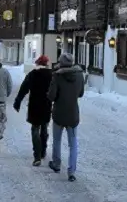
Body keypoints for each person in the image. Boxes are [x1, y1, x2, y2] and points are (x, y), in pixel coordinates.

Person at [47, 52, 85, 182]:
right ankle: (71, 171)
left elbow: (51, 96)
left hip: (59, 113)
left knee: (57, 140)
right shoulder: (79, 75)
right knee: (73, 144)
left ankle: (56, 164)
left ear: (60, 62)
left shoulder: (57, 76)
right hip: (73, 114)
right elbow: (80, 94)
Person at [13, 55, 53, 166]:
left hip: (34, 105)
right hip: (46, 105)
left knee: (35, 129)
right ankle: (43, 150)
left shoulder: (32, 74)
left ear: (37, 64)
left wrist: (18, 101)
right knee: (44, 127)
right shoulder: (51, 75)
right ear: (46, 64)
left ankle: (37, 155)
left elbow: (24, 88)